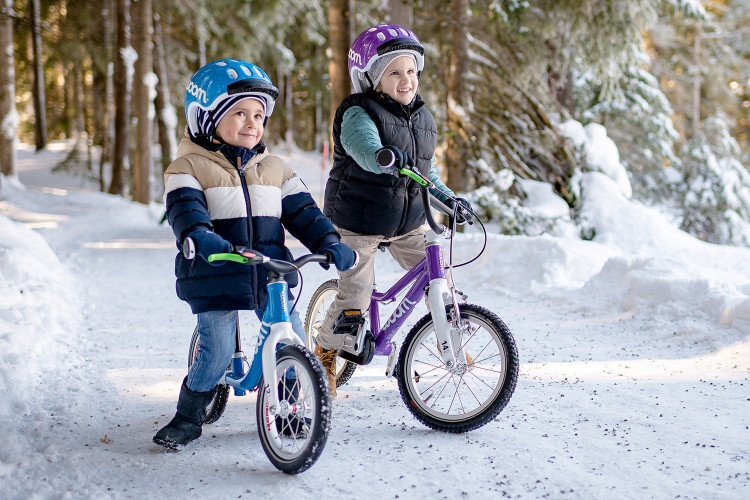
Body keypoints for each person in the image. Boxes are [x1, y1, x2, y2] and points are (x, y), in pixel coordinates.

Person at [153, 58, 356, 450]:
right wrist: (199, 237)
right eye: (240, 113)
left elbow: (305, 213)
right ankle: (188, 418)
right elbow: (186, 211)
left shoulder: (275, 168)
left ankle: (290, 411)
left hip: (269, 273)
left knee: (292, 339)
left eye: (259, 115)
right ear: (206, 117)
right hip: (215, 268)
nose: (252, 123)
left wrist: (329, 242)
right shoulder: (188, 167)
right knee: (217, 352)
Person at [315, 25, 473, 396]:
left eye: (412, 71)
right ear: (372, 78)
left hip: (406, 222)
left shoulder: (423, 120)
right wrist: (382, 156)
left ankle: (447, 338)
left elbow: (427, 172)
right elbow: (364, 149)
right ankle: (324, 353)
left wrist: (450, 200)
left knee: (439, 277)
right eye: (395, 72)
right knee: (356, 294)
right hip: (358, 220)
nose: (407, 80)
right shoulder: (357, 112)